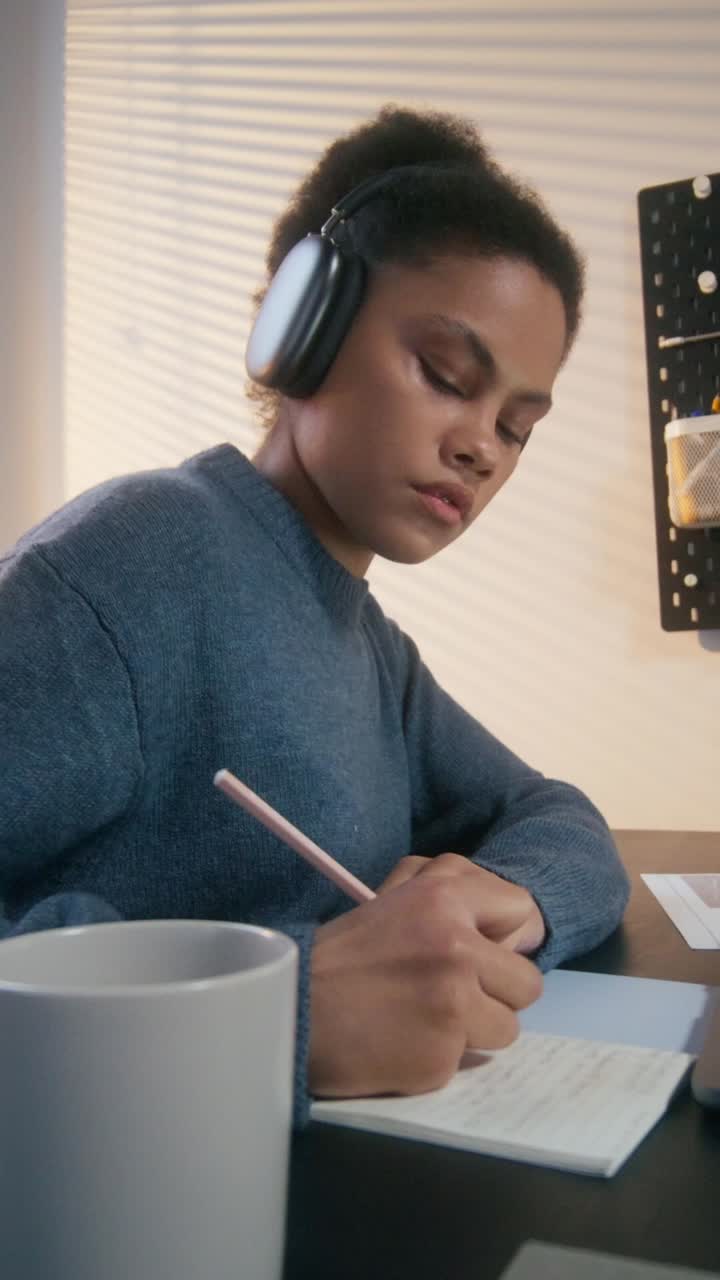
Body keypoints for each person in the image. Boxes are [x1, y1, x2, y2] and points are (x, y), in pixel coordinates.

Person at [0, 104, 629, 1122]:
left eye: (518, 426)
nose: (482, 446)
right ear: (303, 333)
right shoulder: (140, 564)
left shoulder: (374, 649)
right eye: (446, 376)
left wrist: (507, 902)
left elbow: (561, 819)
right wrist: (277, 1012)